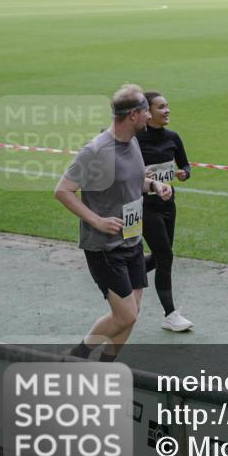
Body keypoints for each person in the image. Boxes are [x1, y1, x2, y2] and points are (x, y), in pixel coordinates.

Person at [55, 84, 172, 361]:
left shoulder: (132, 142)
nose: (149, 116)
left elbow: (131, 182)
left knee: (131, 316)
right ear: (133, 114)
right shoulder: (96, 150)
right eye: (146, 110)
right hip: (105, 247)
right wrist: (96, 220)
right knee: (126, 313)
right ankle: (76, 356)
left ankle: (104, 365)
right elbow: (62, 190)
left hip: (132, 238)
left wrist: (154, 185)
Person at [137, 91, 192, 332]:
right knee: (165, 256)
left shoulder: (173, 137)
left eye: (167, 105)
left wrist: (184, 174)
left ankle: (126, 276)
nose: (167, 110)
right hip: (143, 205)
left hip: (168, 205)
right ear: (147, 112)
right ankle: (170, 314)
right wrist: (141, 177)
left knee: (161, 256)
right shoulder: (135, 140)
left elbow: (185, 165)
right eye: (161, 107)